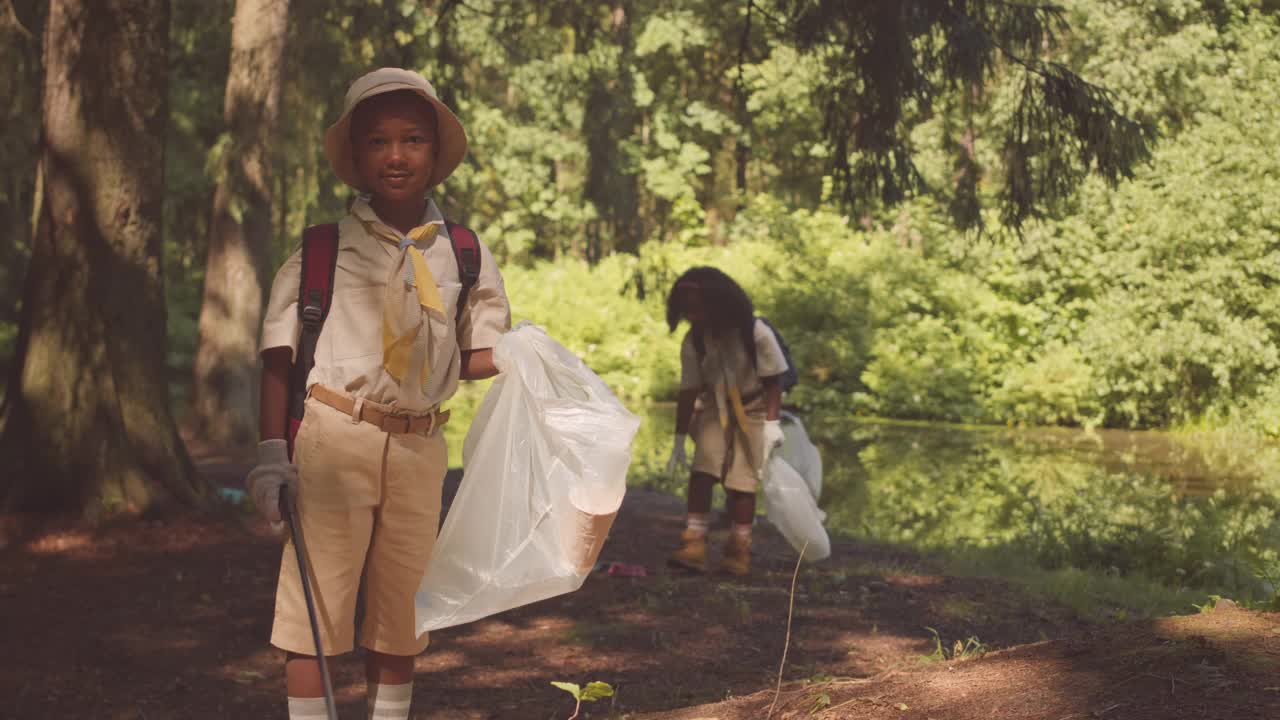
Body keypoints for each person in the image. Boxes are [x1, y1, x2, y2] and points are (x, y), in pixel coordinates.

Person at [244, 67, 511, 720]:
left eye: (413, 139)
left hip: (421, 449)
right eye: (378, 142)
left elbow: (472, 355)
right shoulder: (321, 250)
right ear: (357, 158)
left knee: (403, 614)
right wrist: (273, 454)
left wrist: (520, 354)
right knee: (314, 612)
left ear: (435, 153)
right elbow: (278, 358)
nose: (396, 155)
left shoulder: (464, 253)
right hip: (335, 442)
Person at [664, 267, 787, 576]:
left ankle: (739, 548)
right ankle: (693, 542)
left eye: (697, 307)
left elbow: (774, 381)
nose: (692, 315)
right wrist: (679, 438)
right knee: (702, 473)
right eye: (686, 309)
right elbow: (689, 389)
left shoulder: (754, 332)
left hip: (755, 410)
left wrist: (772, 425)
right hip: (713, 410)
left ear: (718, 302)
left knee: (742, 483)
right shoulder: (695, 340)